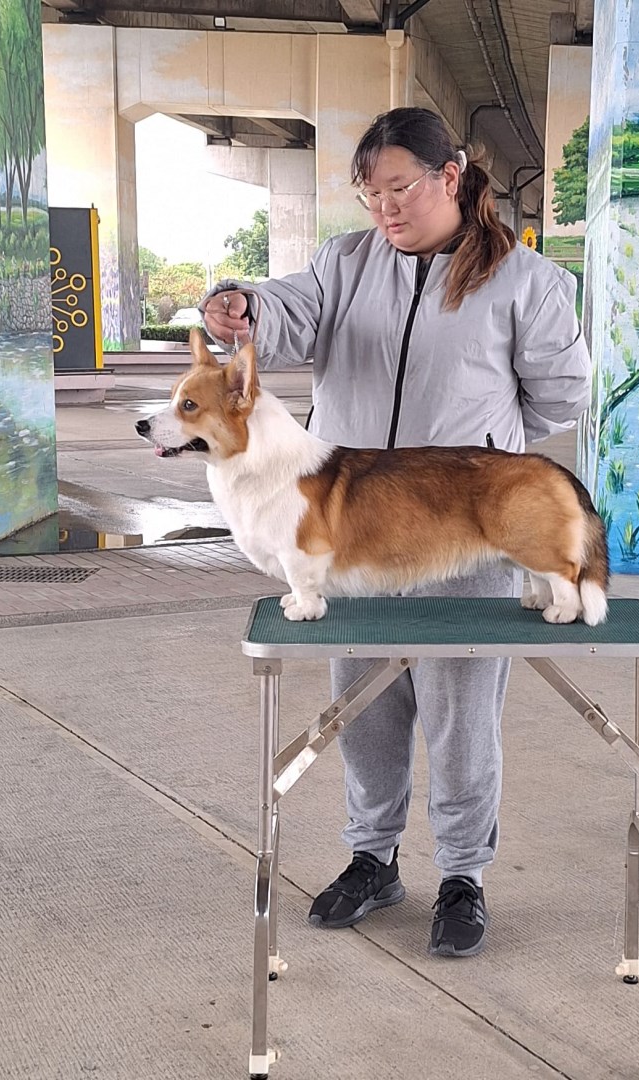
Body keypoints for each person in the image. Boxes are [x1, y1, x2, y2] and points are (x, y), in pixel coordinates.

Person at [200, 106, 589, 957]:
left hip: (463, 535)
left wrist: (479, 460)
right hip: (357, 542)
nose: (383, 208)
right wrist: (239, 304)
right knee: (364, 709)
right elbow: (285, 314)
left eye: (398, 188)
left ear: (450, 176)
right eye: (369, 193)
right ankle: (371, 860)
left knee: (461, 717)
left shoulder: (526, 281)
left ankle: (462, 876)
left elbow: (560, 396)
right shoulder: (342, 263)